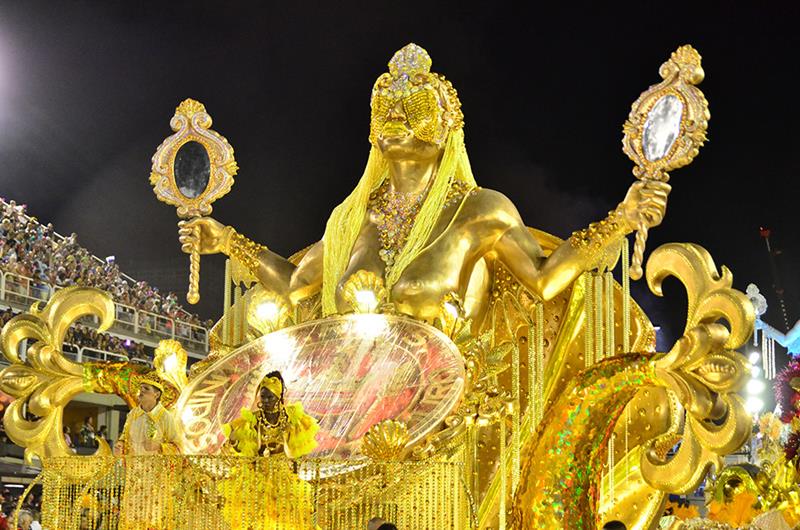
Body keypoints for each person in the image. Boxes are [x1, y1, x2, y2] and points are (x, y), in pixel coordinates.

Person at [179, 43, 669, 326]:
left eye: (414, 109)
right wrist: (226, 241)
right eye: (385, 108)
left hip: (449, 428)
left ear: (447, 127)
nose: (396, 117)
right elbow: (293, 285)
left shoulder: (480, 210)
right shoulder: (352, 217)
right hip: (349, 418)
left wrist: (621, 220)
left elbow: (543, 281)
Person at [222, 371, 319, 458]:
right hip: (258, 473)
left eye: (270, 397)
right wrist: (234, 441)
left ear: (278, 397)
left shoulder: (292, 417)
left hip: (285, 473)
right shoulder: (252, 420)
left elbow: (299, 453)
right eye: (263, 397)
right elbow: (242, 450)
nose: (265, 401)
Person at [114, 376, 180, 456]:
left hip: (154, 466)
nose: (141, 391)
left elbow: (178, 447)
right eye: (141, 388)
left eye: (146, 389)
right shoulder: (133, 414)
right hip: (132, 465)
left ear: (157, 395)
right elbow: (124, 436)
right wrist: (120, 444)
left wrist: (159, 447)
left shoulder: (165, 417)